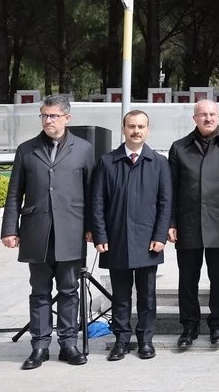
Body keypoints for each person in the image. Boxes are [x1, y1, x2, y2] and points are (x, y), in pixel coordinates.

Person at [1, 95, 96, 369]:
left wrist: (93, 228)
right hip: (36, 232)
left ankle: (68, 344)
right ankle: (40, 346)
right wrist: (9, 229)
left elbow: (92, 193)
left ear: (67, 118)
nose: (48, 120)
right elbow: (14, 192)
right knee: (39, 291)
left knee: (69, 290)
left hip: (71, 232)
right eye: (44, 115)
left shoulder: (84, 149)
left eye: (53, 116)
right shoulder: (26, 149)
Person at [90, 109, 172, 361]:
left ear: (148, 130)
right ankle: (121, 341)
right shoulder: (107, 162)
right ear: (123, 129)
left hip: (149, 241)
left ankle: (146, 340)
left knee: (147, 296)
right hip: (117, 240)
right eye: (131, 126)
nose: (136, 131)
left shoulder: (159, 163)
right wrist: (100, 235)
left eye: (141, 126)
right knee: (121, 296)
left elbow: (165, 202)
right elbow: (97, 202)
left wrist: (160, 235)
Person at [167, 99, 219, 348]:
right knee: (188, 280)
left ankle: (217, 325)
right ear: (194, 118)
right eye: (202, 114)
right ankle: (189, 326)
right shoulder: (179, 148)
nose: (208, 118)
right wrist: (171, 223)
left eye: (212, 114)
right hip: (188, 223)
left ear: (218, 117)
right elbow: (171, 189)